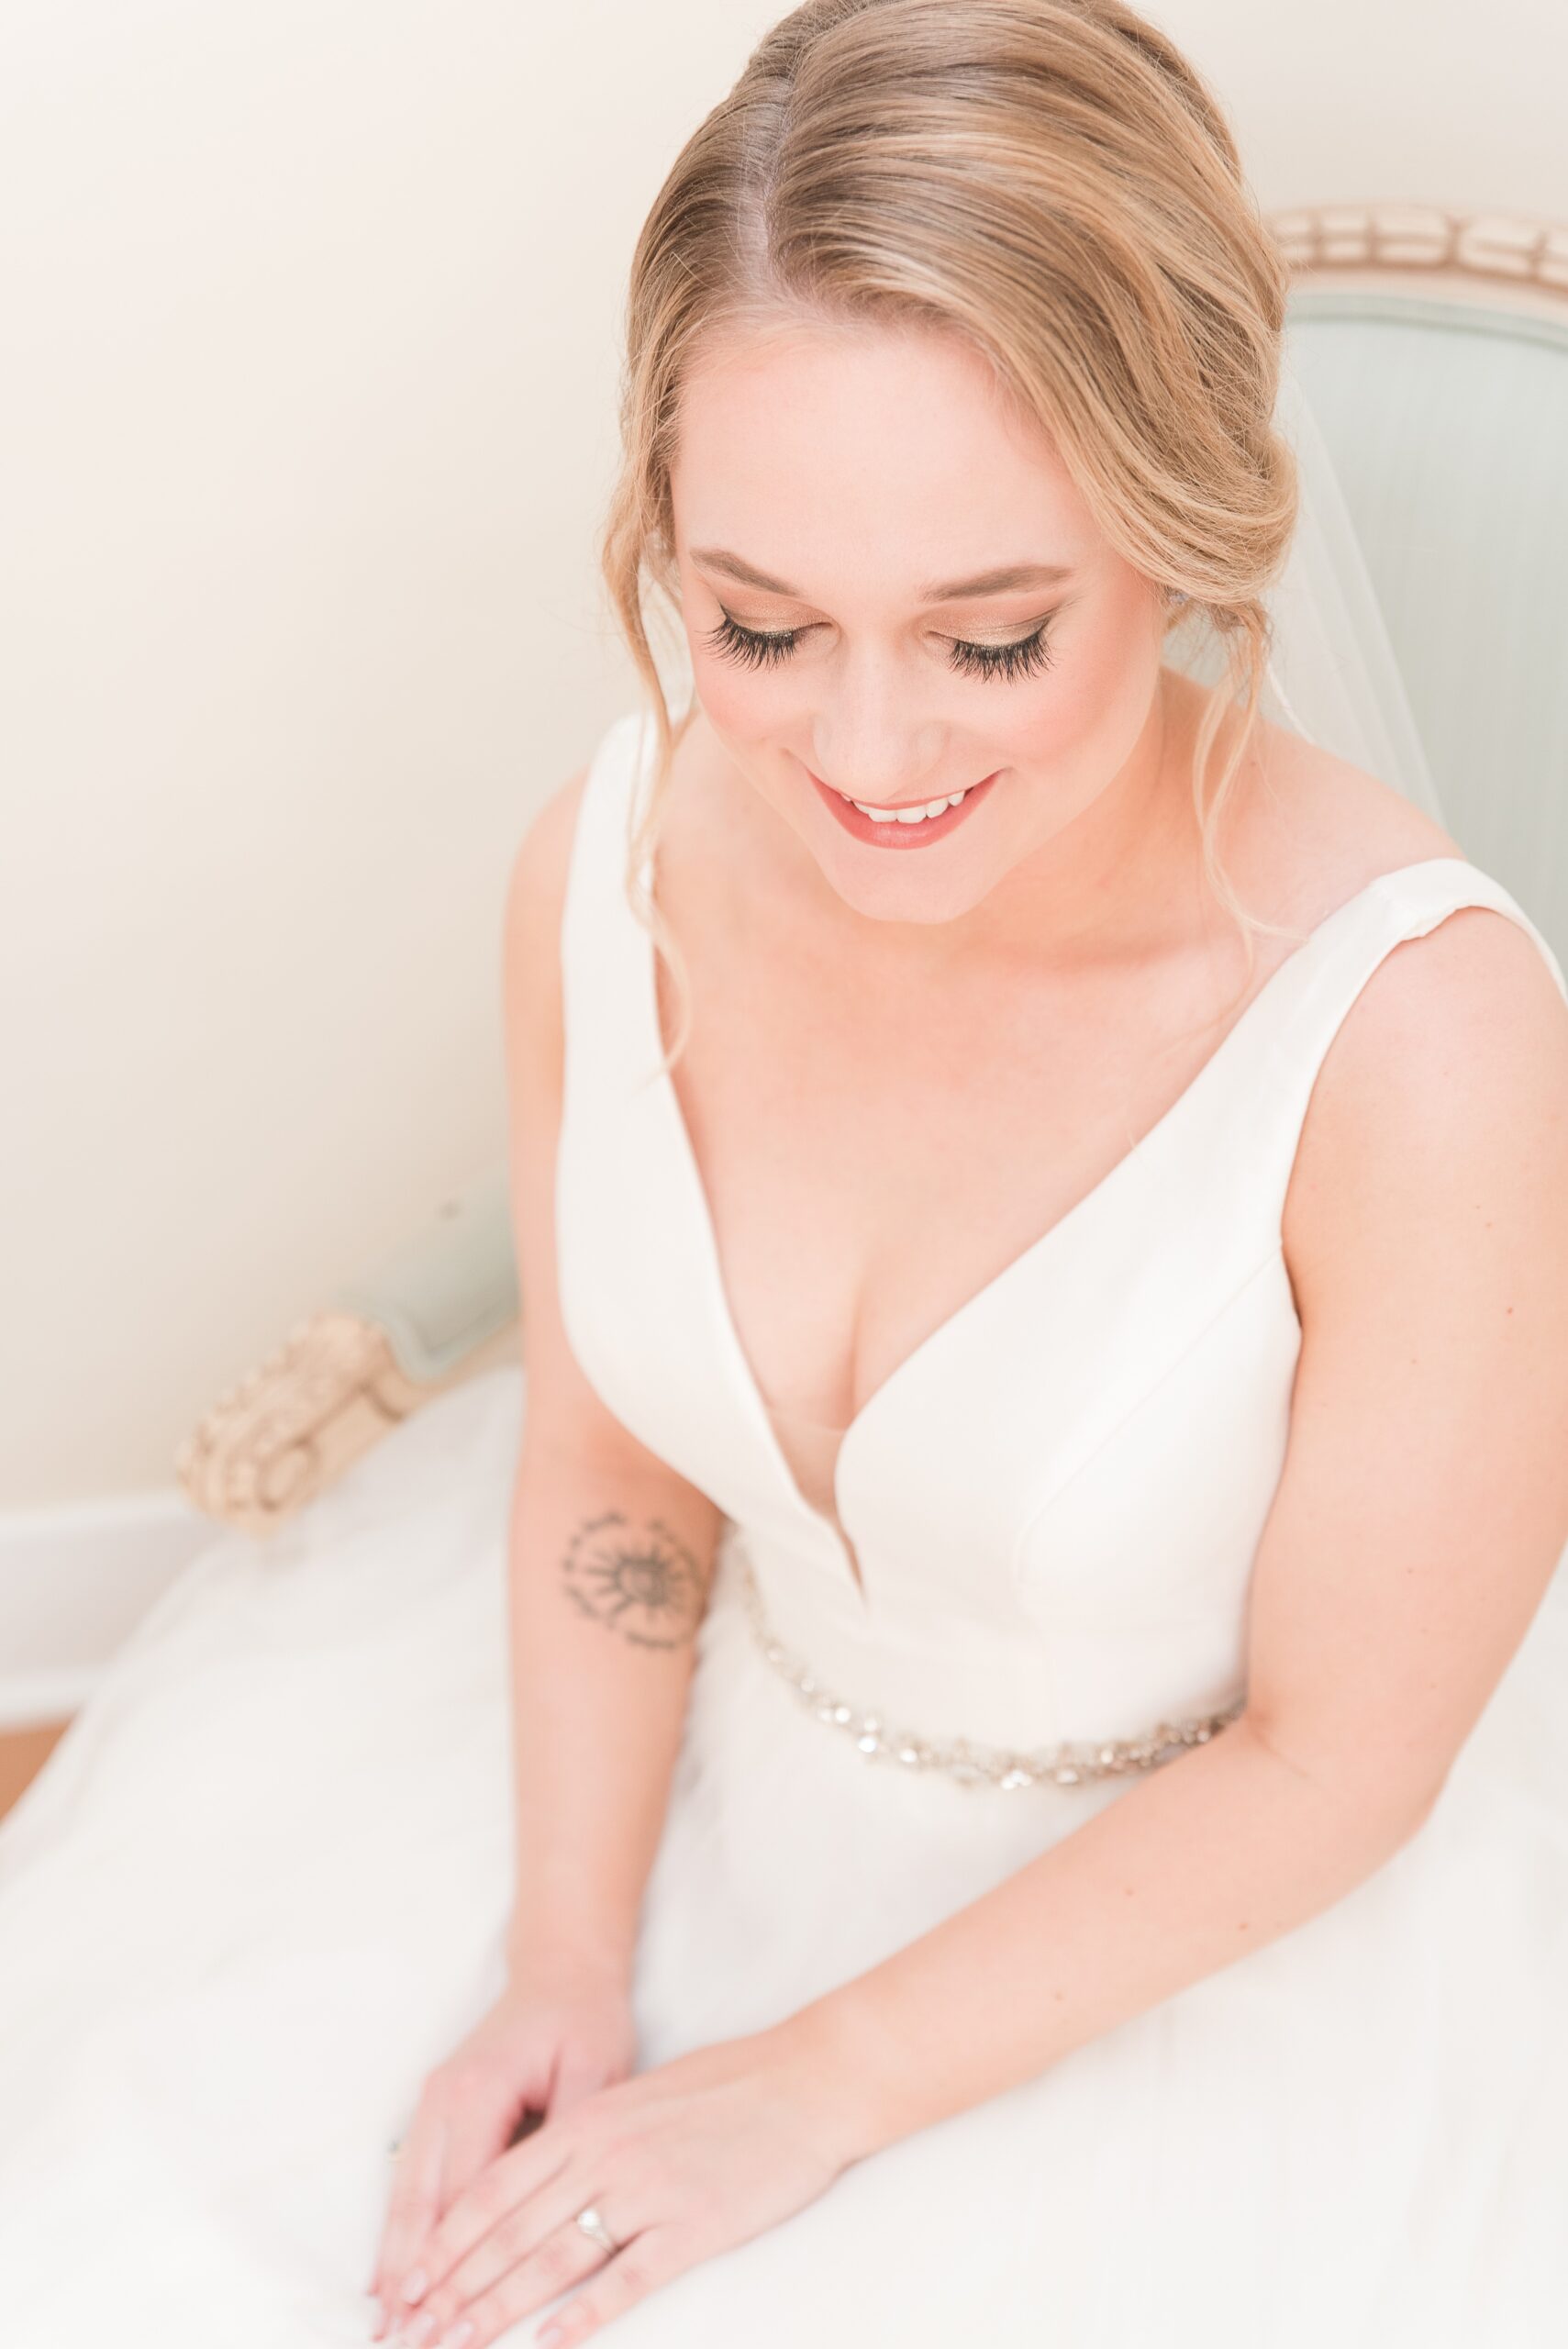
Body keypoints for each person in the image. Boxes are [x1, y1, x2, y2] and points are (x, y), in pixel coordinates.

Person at [4, 4, 1568, 2345]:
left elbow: (1340, 1755)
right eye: (757, 623)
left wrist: (796, 2090)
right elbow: (610, 1451)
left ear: (1186, 527)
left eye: (993, 636)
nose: (863, 751)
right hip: (665, 1779)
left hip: (1207, 1936)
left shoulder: (1422, 1041)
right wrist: (560, 1961)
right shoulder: (608, 860)